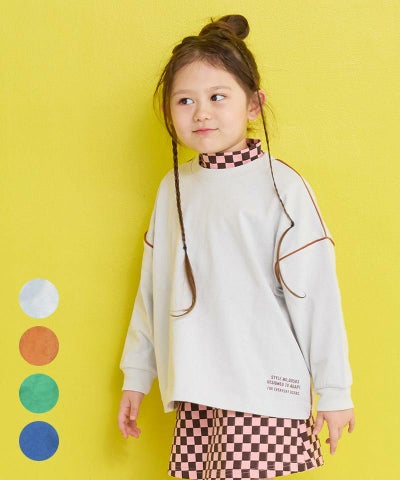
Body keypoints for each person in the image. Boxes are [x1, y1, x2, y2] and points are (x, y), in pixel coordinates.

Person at [117, 14, 355, 479]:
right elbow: (153, 290)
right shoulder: (173, 188)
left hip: (263, 386)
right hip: (198, 386)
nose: (201, 113)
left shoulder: (282, 188)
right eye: (185, 100)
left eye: (217, 97)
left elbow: (317, 295)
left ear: (253, 105)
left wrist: (334, 389)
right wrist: (137, 375)